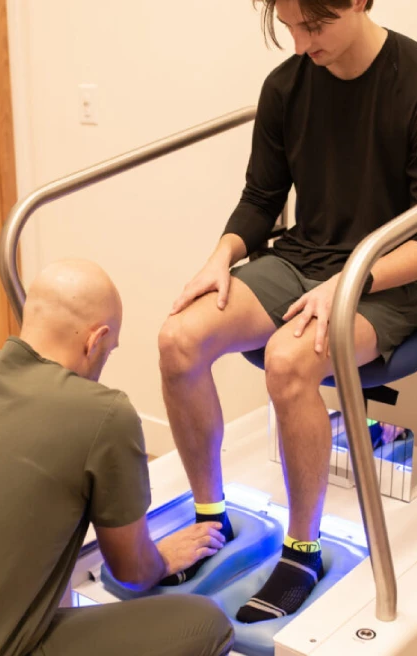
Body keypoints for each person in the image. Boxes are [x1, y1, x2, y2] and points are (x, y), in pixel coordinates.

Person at [158, 0, 417, 623]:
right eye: (292, 28)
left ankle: (303, 552)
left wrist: (351, 282)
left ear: (359, 1)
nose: (302, 45)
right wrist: (221, 256)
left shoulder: (413, 80)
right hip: (304, 258)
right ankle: (208, 518)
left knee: (289, 357)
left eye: (316, 26)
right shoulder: (286, 86)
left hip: (394, 275)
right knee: (178, 338)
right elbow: (261, 196)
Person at [0, 258, 234, 656]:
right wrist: (160, 559)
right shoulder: (104, 414)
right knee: (208, 625)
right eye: (110, 350)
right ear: (96, 341)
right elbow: (132, 572)